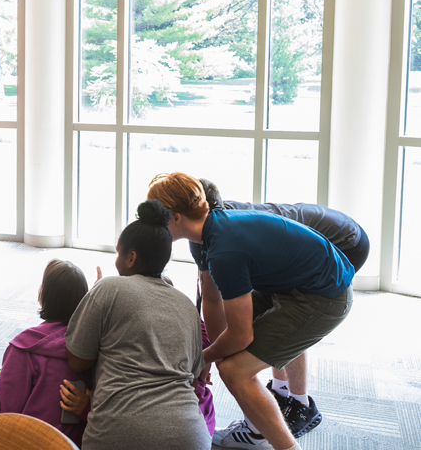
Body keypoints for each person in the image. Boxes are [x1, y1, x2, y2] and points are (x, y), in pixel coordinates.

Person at [148, 173, 354, 450]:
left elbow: (240, 336)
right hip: (294, 284)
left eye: (156, 217)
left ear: (176, 217)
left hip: (324, 296)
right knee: (229, 355)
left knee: (234, 370)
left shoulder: (223, 252)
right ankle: (256, 429)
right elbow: (220, 312)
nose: (152, 227)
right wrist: (211, 355)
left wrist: (203, 357)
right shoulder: (214, 226)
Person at [192, 178, 368, 438]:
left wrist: (217, 357)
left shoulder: (223, 236)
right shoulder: (207, 229)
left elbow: (214, 301)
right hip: (310, 242)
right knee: (274, 314)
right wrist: (219, 354)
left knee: (292, 318)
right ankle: (281, 391)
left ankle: (300, 404)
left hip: (345, 239)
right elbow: (210, 298)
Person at [65, 201, 211, 450]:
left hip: (119, 432)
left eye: (118, 253)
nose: (117, 260)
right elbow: (194, 377)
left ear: (131, 258)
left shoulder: (109, 287)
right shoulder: (187, 305)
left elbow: (78, 359)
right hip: (191, 437)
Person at [0, 259, 92, 447]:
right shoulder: (91, 348)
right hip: (72, 445)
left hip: (27, 442)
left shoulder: (24, 347)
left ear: (44, 294)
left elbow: (3, 413)